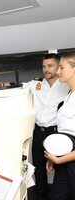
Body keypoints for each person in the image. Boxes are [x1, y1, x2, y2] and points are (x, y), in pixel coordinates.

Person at [0, 53, 69, 200]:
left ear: (59, 67)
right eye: (44, 66)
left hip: (57, 133)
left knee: (62, 170)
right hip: (39, 132)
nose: (46, 69)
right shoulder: (37, 84)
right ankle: (41, 196)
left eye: (50, 66)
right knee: (39, 170)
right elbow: (17, 85)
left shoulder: (67, 85)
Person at [44, 52, 75, 200]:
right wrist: (55, 155)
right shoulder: (69, 96)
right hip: (64, 159)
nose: (57, 72)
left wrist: (59, 160)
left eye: (61, 67)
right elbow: (65, 132)